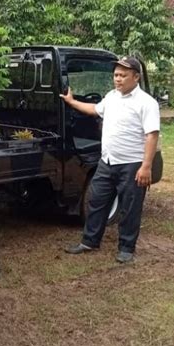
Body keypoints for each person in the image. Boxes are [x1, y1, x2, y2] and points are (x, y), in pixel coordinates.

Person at [60, 56, 160, 263]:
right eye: (116, 75)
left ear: (136, 77)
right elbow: (94, 109)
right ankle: (89, 241)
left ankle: (126, 248)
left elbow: (152, 135)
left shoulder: (146, 103)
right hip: (107, 162)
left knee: (129, 208)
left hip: (132, 165)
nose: (118, 79)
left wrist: (146, 167)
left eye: (123, 75)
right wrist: (71, 102)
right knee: (96, 201)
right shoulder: (112, 97)